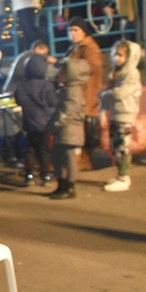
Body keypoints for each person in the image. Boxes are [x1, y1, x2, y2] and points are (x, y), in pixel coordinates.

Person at [99, 40, 142, 192]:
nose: (117, 58)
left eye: (121, 55)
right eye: (115, 54)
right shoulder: (116, 72)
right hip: (116, 112)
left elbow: (119, 93)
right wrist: (104, 107)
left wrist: (105, 94)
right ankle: (120, 175)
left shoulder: (132, 73)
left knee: (123, 146)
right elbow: (109, 95)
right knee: (116, 146)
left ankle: (123, 177)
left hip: (125, 113)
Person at [49, 58, 90, 199]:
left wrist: (57, 123)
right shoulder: (66, 89)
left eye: (62, 71)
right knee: (59, 157)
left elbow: (69, 111)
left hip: (70, 130)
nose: (59, 73)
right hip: (65, 130)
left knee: (69, 158)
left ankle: (70, 186)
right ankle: (62, 185)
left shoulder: (73, 91)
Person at [66, 16, 104, 168]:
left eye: (76, 30)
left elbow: (92, 69)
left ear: (84, 31)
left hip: (87, 94)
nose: (72, 33)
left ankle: (85, 161)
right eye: (70, 30)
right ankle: (79, 160)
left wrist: (69, 66)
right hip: (78, 94)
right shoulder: (75, 47)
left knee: (85, 130)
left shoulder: (90, 48)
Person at [14, 54, 56, 186]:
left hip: (29, 121)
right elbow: (53, 102)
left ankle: (29, 175)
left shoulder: (22, 85)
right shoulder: (47, 85)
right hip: (46, 123)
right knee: (44, 150)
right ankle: (46, 175)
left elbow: (18, 100)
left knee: (30, 149)